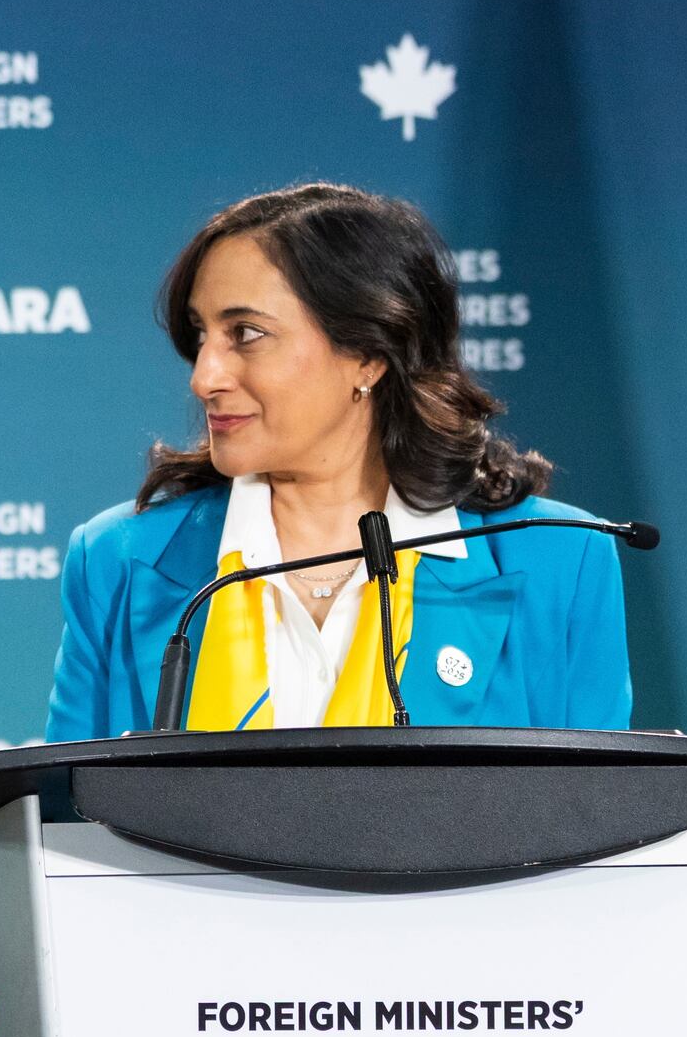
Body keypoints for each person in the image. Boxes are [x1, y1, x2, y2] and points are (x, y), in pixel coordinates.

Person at [47, 183, 630, 740]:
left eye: (245, 333)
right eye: (201, 336)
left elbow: (596, 823)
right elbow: (58, 827)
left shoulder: (563, 561)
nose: (205, 378)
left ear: (370, 355)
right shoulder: (117, 563)